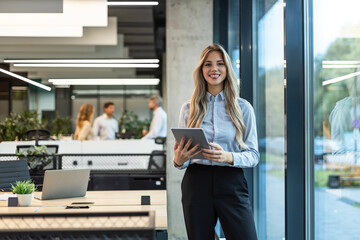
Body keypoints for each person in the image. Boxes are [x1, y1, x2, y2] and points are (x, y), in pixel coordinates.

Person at [173, 44, 259, 240]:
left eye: (220, 64)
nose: (214, 69)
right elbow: (181, 161)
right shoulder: (188, 108)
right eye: (208, 64)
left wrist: (227, 156)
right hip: (196, 182)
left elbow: (254, 156)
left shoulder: (243, 108)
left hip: (231, 181)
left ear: (227, 68)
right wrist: (179, 159)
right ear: (201, 70)